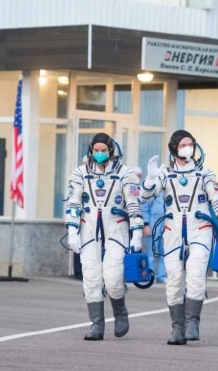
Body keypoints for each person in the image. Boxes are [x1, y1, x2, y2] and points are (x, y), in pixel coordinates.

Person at [141, 130, 218, 345]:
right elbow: (146, 197)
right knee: (174, 280)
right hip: (172, 232)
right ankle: (177, 328)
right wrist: (149, 179)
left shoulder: (205, 173)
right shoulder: (164, 174)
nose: (188, 148)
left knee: (195, 274)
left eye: (191, 144)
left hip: (200, 230)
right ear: (174, 148)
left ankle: (193, 322)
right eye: (184, 144)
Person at [65, 133, 143, 341]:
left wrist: (136, 233)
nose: (99, 154)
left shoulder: (125, 174)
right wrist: (72, 230)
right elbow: (73, 203)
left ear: (111, 151)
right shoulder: (80, 174)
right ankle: (96, 324)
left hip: (116, 227)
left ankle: (120, 313)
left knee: (113, 275)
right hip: (88, 228)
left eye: (104, 150)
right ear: (91, 151)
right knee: (90, 276)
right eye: (96, 150)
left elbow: (134, 204)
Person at [132, 166, 167, 283]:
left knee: (163, 251)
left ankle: (162, 275)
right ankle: (150, 274)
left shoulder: (167, 191)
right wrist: (146, 224)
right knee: (151, 251)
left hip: (166, 223)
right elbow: (144, 208)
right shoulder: (151, 190)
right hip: (152, 223)